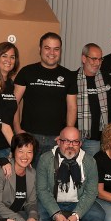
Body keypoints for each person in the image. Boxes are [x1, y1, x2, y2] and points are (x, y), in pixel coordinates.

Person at [34, 126, 105, 221]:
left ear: (80, 144)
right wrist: (56, 213)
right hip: (52, 200)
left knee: (98, 215)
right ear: (58, 141)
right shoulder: (46, 159)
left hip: (77, 202)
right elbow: (42, 190)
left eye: (75, 141)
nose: (71, 145)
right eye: (66, 141)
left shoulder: (90, 162)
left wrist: (76, 215)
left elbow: (91, 192)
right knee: (36, 216)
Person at [14, 32, 77, 163]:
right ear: (40, 49)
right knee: (28, 174)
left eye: (56, 49)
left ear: (60, 51)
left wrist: (66, 135)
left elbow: (72, 107)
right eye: (47, 48)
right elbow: (14, 103)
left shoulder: (68, 76)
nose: (52, 53)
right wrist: (17, 129)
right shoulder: (26, 72)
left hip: (56, 138)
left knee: (52, 175)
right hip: (29, 137)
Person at [0, 133, 40, 221]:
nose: (25, 156)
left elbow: (31, 202)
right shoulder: (0, 172)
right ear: (13, 152)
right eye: (21, 151)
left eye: (29, 152)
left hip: (15, 213)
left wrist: (32, 217)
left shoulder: (32, 173)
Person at [76, 43, 111, 158]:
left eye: (100, 59)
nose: (97, 63)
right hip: (74, 138)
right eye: (94, 59)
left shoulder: (108, 80)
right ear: (84, 58)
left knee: (92, 168)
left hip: (96, 139)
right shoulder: (72, 78)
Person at [0, 42, 20, 160]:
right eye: (4, 56)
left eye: (12, 57)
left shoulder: (10, 84)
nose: (9, 60)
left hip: (6, 145)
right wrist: (16, 147)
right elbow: (0, 120)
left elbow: (11, 111)